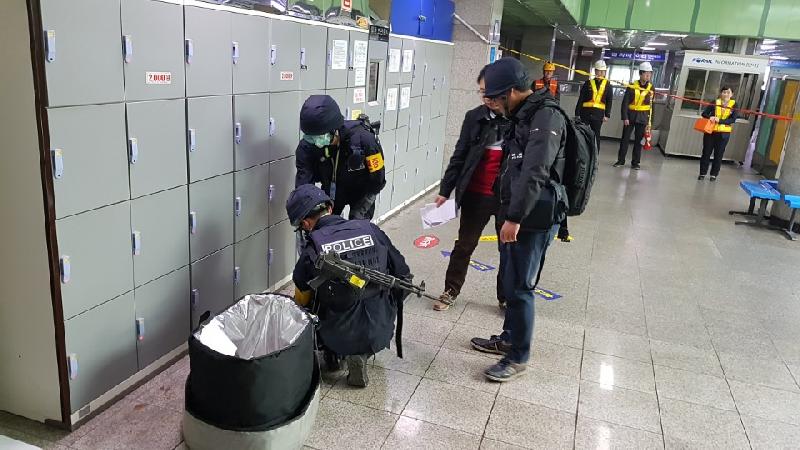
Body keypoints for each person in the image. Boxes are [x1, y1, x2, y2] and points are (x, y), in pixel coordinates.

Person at [469, 57, 568, 382]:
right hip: (516, 211)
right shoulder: (521, 114)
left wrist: (514, 217)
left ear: (511, 92)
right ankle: (509, 338)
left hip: (533, 216)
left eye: (494, 97)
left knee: (522, 286)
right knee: (511, 281)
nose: (491, 104)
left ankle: (518, 357)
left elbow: (535, 171)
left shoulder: (545, 116)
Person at [288, 184, 411, 387]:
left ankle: (334, 355)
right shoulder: (371, 230)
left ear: (305, 223)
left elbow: (301, 291)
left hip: (338, 333)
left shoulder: (314, 248)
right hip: (381, 327)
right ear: (330, 208)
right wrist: (387, 305)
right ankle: (362, 350)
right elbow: (403, 274)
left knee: (309, 294)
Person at [432, 65, 510, 312]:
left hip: (506, 197)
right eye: (482, 92)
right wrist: (445, 190)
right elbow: (459, 155)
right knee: (464, 245)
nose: (486, 98)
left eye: (490, 92)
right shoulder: (474, 117)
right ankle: (451, 290)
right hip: (476, 195)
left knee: (507, 249)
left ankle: (506, 297)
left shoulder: (519, 120)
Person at [295, 95, 386, 220]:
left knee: (358, 226)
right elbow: (304, 184)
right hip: (332, 191)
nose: (316, 142)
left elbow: (378, 179)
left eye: (319, 137)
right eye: (311, 137)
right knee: (324, 225)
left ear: (334, 130)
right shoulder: (307, 147)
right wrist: (308, 213)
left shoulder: (365, 140)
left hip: (362, 192)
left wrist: (365, 205)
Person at [615, 61, 654, 170]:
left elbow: (652, 106)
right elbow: (625, 103)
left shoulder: (651, 88)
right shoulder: (632, 86)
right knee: (625, 139)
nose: (648, 75)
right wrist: (625, 117)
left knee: (638, 141)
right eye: (646, 73)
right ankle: (620, 160)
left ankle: (635, 163)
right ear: (640, 74)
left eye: (650, 73)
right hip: (630, 117)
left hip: (643, 118)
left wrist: (650, 122)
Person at [699, 86, 738, 181]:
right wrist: (710, 117)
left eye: (728, 92)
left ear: (732, 94)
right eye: (724, 92)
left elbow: (733, 119)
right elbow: (704, 114)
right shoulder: (715, 102)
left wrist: (720, 121)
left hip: (723, 134)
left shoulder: (734, 105)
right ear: (721, 93)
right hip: (710, 132)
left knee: (719, 154)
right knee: (706, 153)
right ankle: (702, 173)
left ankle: (714, 175)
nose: (726, 94)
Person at [575, 60, 613, 150]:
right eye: (599, 71)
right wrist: (577, 113)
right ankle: (582, 153)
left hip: (598, 115)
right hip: (585, 113)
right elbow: (581, 99)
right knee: (583, 134)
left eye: (603, 71)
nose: (601, 73)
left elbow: (609, 101)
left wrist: (607, 115)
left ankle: (595, 155)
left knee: (596, 135)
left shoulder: (608, 85)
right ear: (595, 71)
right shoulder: (588, 83)